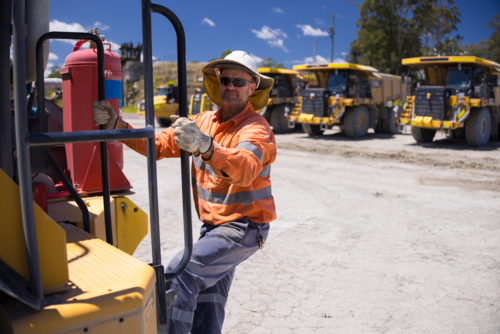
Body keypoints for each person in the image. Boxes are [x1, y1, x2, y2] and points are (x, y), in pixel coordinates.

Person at [93, 51, 276, 334]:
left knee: (181, 271)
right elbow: (157, 144)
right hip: (214, 229)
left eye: (238, 81)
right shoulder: (203, 122)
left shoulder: (257, 129)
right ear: (218, 81)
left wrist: (208, 148)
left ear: (252, 87)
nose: (230, 86)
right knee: (208, 300)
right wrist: (119, 126)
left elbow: (246, 168)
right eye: (225, 79)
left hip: (244, 227)